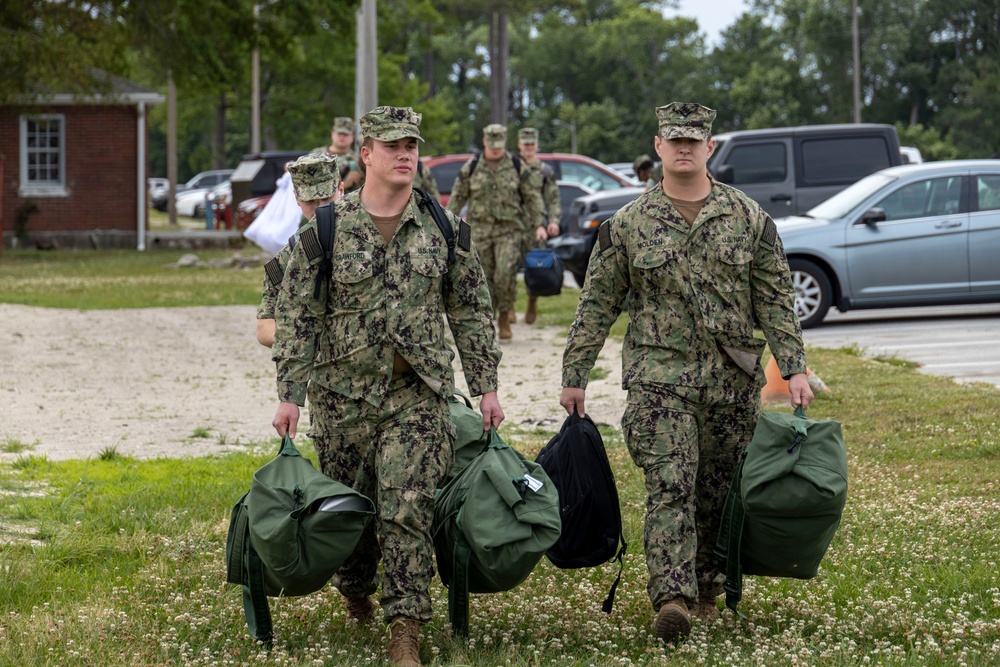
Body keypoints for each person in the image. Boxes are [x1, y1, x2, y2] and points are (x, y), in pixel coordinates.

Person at [559, 102, 814, 645]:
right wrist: (574, 373)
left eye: (694, 141)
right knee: (670, 484)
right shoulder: (627, 226)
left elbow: (774, 299)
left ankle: (705, 591)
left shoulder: (748, 219)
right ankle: (670, 598)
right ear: (657, 147)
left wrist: (793, 368)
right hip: (659, 380)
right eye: (673, 140)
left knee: (717, 492)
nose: (683, 149)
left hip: (732, 380)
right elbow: (597, 304)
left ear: (710, 148)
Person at [271, 106, 504, 667]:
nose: (405, 154)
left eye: (412, 146)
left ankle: (406, 628)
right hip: (343, 395)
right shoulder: (326, 229)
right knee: (351, 511)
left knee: (408, 506)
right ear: (366, 154)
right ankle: (355, 587)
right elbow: (299, 314)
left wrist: (487, 386)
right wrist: (289, 394)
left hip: (418, 395)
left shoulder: (444, 227)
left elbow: (471, 310)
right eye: (392, 145)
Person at [447, 123, 545, 340]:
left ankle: (503, 315)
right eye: (492, 146)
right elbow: (458, 196)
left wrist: (539, 223)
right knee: (484, 277)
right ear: (484, 142)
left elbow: (532, 197)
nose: (495, 150)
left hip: (509, 230)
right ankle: (486, 319)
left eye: (499, 146)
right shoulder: (471, 167)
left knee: (505, 273)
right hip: (480, 230)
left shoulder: (517, 166)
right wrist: (447, 223)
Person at [256, 152, 343, 347]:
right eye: (310, 201)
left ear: (342, 190)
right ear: (296, 198)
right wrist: (308, 343)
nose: (319, 208)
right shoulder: (289, 256)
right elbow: (264, 327)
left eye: (326, 198)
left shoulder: (369, 240)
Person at [516, 127, 562, 324]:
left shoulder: (545, 171)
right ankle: (507, 306)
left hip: (536, 226)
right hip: (512, 224)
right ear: (519, 145)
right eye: (525, 144)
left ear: (536, 145)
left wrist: (553, 221)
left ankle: (531, 302)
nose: (528, 148)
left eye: (531, 144)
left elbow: (553, 199)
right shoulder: (511, 167)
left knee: (535, 266)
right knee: (506, 268)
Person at [312, 116, 363, 192]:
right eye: (339, 133)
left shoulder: (358, 160)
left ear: (352, 137)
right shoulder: (316, 155)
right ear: (332, 133)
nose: (342, 137)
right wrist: (345, 184)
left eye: (346, 134)